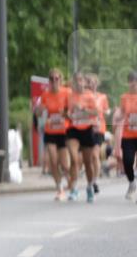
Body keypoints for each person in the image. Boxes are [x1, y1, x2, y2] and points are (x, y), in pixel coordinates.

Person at [34, 68, 72, 201]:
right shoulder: (45, 95)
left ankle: (71, 183)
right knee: (53, 161)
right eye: (51, 79)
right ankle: (59, 188)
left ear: (61, 80)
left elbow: (72, 113)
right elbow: (38, 113)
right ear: (49, 81)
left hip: (63, 131)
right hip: (50, 131)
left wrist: (64, 113)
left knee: (65, 164)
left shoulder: (67, 93)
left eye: (57, 78)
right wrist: (39, 109)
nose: (54, 81)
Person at [66, 71, 99, 202]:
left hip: (87, 129)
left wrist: (84, 109)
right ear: (73, 82)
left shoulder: (90, 96)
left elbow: (96, 112)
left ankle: (90, 186)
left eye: (81, 80)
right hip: (73, 129)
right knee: (74, 159)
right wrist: (68, 114)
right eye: (76, 80)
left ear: (84, 83)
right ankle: (73, 188)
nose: (79, 83)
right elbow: (66, 112)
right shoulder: (70, 96)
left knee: (87, 162)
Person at [113, 70, 137, 201]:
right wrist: (118, 116)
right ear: (128, 83)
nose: (134, 85)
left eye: (136, 82)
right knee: (127, 161)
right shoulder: (124, 97)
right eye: (132, 82)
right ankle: (132, 182)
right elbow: (122, 113)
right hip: (128, 135)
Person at [90, 74, 110, 193]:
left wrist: (106, 111)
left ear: (97, 84)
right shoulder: (84, 97)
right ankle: (92, 177)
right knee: (88, 157)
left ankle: (95, 180)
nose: (92, 84)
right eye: (90, 82)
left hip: (98, 128)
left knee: (94, 155)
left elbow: (107, 110)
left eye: (94, 82)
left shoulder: (102, 97)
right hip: (86, 128)